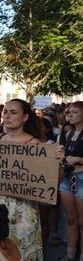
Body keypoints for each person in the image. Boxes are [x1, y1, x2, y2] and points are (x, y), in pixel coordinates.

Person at [0, 99, 45, 261]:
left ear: (25, 117)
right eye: (5, 112)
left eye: (13, 113)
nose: (7, 116)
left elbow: (48, 179)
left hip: (23, 208)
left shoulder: (35, 144)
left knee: (23, 251)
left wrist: (57, 160)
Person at [55, 101, 83, 261]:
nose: (70, 115)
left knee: (82, 222)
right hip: (67, 178)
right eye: (69, 112)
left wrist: (78, 159)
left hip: (81, 178)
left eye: (75, 112)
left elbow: (75, 158)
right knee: (71, 219)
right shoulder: (68, 134)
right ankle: (70, 255)